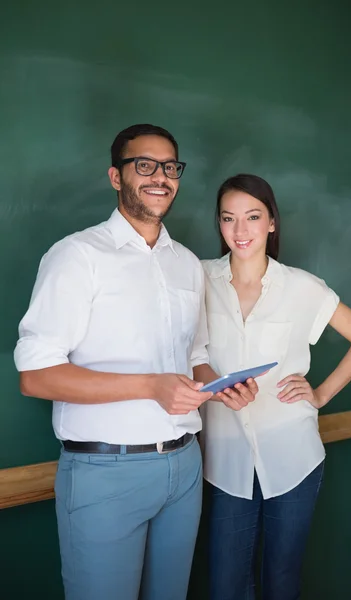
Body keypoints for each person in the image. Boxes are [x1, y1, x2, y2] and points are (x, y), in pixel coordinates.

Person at [13, 125, 257, 600]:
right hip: (105, 473)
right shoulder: (77, 256)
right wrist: (150, 386)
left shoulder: (186, 263)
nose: (159, 176)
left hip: (185, 465)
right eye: (144, 165)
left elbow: (195, 358)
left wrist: (220, 387)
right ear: (115, 176)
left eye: (170, 167)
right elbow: (36, 376)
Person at [196, 173, 351, 600]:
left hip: (294, 457)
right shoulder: (199, 279)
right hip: (223, 462)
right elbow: (189, 354)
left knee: (282, 581)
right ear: (219, 225)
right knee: (226, 585)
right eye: (228, 218)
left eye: (253, 217)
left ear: (272, 222)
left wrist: (320, 395)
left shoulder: (301, 287)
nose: (240, 231)